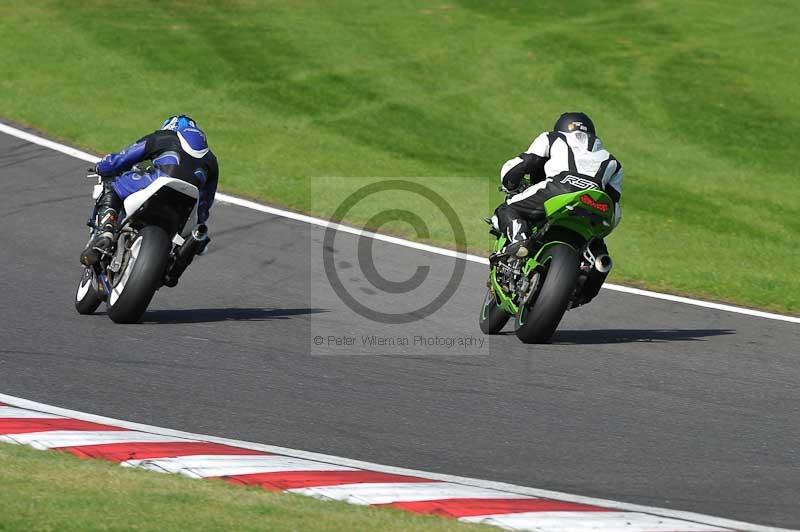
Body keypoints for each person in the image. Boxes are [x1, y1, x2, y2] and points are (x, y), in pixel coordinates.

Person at [492, 112, 623, 302]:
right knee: (597, 247)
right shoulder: (613, 162)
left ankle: (520, 241)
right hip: (596, 203)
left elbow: (523, 164)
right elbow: (615, 206)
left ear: (561, 127)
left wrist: (510, 184)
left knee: (507, 209)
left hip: (558, 189)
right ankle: (594, 271)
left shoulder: (552, 137)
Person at [80, 115, 218, 266]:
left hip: (161, 181)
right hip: (187, 204)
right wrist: (199, 225)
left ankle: (104, 233)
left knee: (112, 184)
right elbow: (205, 202)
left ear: (170, 127)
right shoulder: (211, 159)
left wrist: (102, 167)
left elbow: (124, 157)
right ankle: (174, 267)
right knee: (195, 238)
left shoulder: (164, 136)